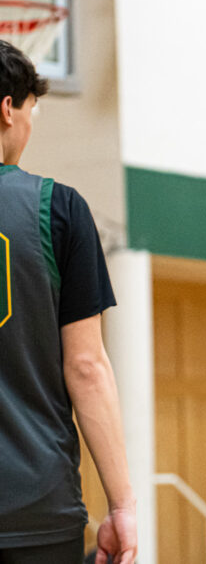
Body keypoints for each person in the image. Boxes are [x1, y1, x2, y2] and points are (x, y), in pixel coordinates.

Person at [0, 40, 136, 563]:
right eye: (32, 111)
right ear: (8, 108)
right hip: (36, 505)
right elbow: (86, 366)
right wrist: (120, 504)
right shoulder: (58, 208)